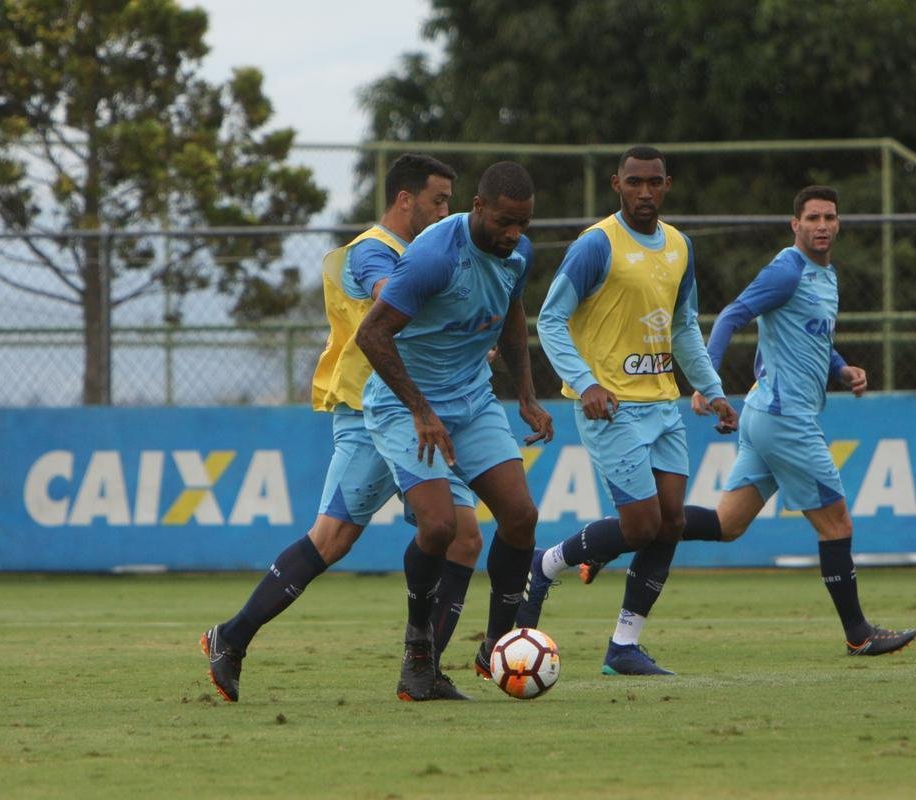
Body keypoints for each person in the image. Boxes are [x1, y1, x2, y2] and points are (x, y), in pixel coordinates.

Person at [200, 153, 483, 703]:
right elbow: (389, 295)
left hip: (418, 413)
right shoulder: (373, 251)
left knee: (463, 537)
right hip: (370, 414)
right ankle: (230, 638)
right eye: (438, 200)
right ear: (406, 200)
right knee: (332, 540)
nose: (447, 210)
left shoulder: (429, 252)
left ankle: (423, 670)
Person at [516, 145, 738, 676]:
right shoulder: (596, 245)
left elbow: (682, 327)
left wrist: (714, 389)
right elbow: (550, 319)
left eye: (654, 182)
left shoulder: (680, 247)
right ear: (617, 184)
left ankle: (623, 647)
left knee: (672, 522)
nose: (644, 192)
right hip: (609, 407)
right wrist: (586, 383)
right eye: (634, 182)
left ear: (667, 185)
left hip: (663, 403)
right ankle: (545, 564)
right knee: (640, 526)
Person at [681, 184, 916, 656]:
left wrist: (841, 367)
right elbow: (731, 316)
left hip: (765, 415)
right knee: (837, 525)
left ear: (839, 223)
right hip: (785, 419)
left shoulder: (826, 276)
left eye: (830, 217)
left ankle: (621, 533)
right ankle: (859, 635)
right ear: (796, 225)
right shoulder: (787, 269)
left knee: (727, 525)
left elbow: (813, 337)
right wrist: (708, 384)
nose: (822, 226)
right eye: (812, 218)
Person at [356, 161, 555, 701]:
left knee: (521, 516)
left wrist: (529, 398)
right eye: (504, 223)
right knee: (441, 527)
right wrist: (420, 409)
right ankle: (419, 647)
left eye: (523, 224)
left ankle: (497, 641)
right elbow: (370, 335)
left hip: (472, 398)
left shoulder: (517, 253)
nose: (513, 235)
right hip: (406, 406)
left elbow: (513, 320)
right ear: (478, 208)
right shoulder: (434, 257)